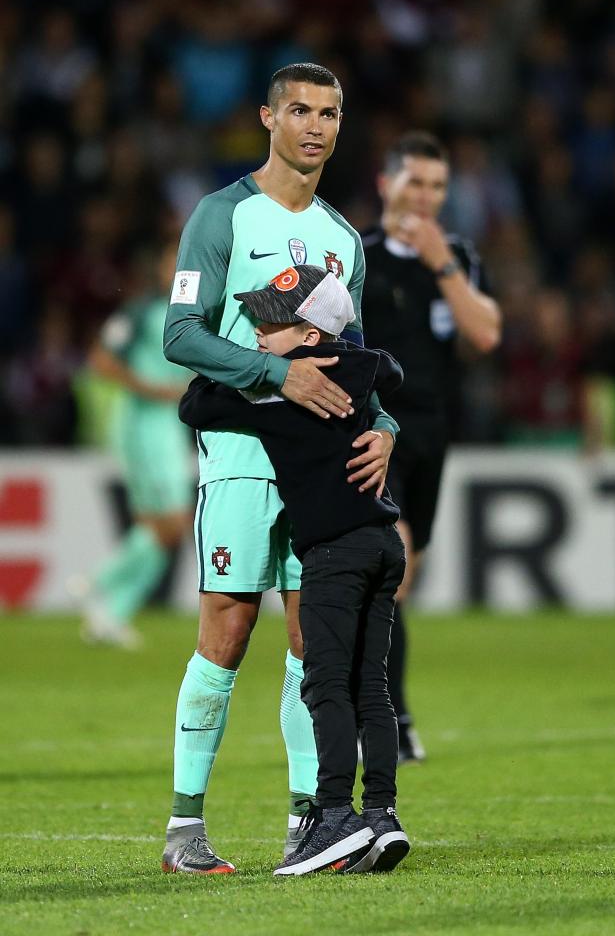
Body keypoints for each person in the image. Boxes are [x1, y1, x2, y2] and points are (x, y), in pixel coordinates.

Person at [161, 63, 398, 874]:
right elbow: (181, 335)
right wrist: (275, 374)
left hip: (321, 466)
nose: (314, 126)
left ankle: (314, 824)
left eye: (329, 113)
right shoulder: (222, 215)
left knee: (312, 643)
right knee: (226, 633)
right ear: (267, 117)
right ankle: (184, 829)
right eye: (298, 110)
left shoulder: (341, 238)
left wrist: (388, 426)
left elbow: (356, 359)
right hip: (240, 457)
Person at [179, 264, 409, 877]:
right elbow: (390, 368)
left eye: (271, 323)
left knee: (325, 685)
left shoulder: (279, 398)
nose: (257, 333)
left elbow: (196, 404)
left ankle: (332, 818)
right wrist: (377, 411)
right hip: (383, 543)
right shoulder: (360, 371)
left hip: (333, 551)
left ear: (308, 338)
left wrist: (268, 377)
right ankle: (382, 816)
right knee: (372, 688)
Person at [361, 131, 502, 761]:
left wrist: (440, 261)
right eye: (415, 182)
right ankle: (385, 721)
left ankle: (394, 714)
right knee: (387, 567)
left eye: (437, 186)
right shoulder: (355, 253)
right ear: (385, 184)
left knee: (399, 581)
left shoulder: (457, 256)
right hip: (371, 428)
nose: (426, 196)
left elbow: (486, 335)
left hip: (432, 431)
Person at [81, 243, 192, 648]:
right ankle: (101, 584)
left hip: (168, 424)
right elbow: (100, 360)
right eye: (172, 261)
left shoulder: (198, 316)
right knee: (170, 523)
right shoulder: (141, 311)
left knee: (163, 527)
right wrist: (151, 389)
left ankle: (109, 610)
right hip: (141, 421)